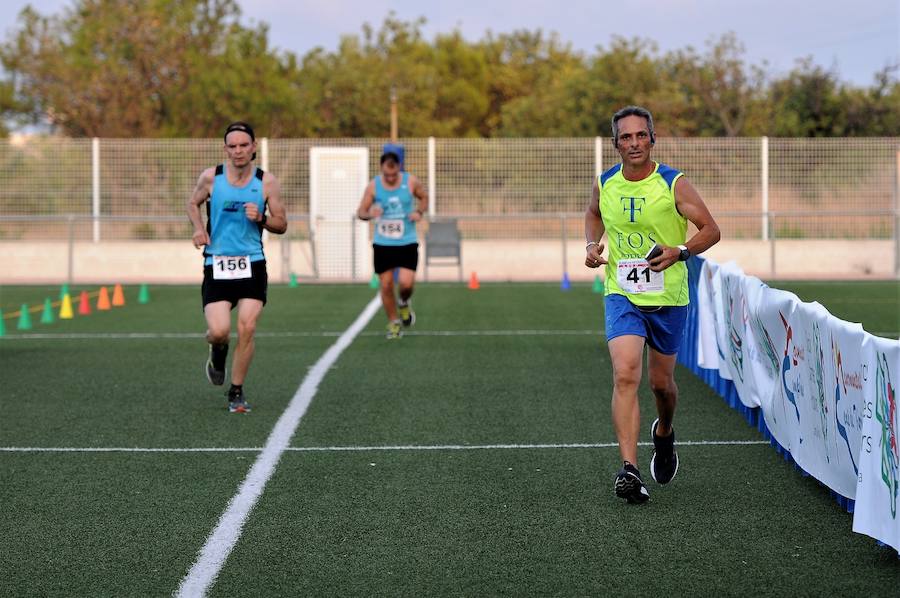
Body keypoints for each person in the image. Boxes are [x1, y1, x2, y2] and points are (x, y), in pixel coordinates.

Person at [584, 106, 721, 503]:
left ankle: (664, 432)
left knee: (661, 385)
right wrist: (592, 245)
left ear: (652, 138)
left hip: (668, 297)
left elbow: (711, 230)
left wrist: (680, 251)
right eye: (625, 137)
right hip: (622, 293)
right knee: (625, 373)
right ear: (615, 144)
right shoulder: (605, 183)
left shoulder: (673, 183)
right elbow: (593, 215)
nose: (634, 143)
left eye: (640, 135)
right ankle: (630, 470)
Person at [186, 122, 287, 413]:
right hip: (217, 263)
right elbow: (192, 203)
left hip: (252, 262)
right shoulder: (211, 178)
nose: (238, 150)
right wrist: (197, 230)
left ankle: (236, 391)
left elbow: (281, 224)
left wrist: (262, 219)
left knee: (247, 327)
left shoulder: (266, 182)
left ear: (254, 147)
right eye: (233, 146)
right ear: (226, 149)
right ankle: (217, 352)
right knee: (219, 331)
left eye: (244, 145)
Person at [356, 151, 429, 339]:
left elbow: (424, 197)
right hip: (383, 243)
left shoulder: (410, 182)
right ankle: (394, 322)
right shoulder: (373, 186)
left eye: (393, 174)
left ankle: (404, 303)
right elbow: (361, 213)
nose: (389, 178)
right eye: (386, 174)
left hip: (407, 241)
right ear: (381, 169)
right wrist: (371, 213)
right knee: (386, 284)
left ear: (399, 169)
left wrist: (419, 213)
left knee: (405, 284)